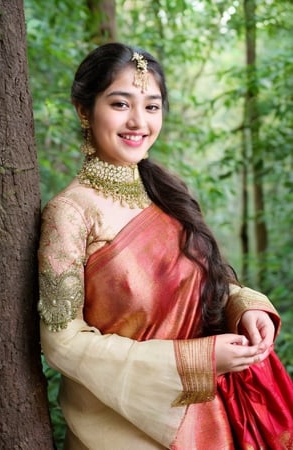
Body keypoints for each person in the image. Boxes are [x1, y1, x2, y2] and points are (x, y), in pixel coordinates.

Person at [38, 43, 293, 450]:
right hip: (120, 428)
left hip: (209, 415)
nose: (138, 121)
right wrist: (197, 362)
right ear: (83, 110)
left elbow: (201, 284)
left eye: (152, 107)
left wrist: (243, 307)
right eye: (121, 104)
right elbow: (62, 343)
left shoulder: (165, 193)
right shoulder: (70, 214)